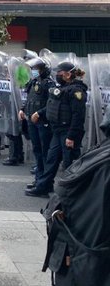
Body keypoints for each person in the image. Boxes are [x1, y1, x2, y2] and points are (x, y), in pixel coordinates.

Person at [26, 62, 87, 197]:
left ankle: (72, 193)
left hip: (68, 132)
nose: (57, 75)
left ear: (68, 74)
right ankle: (44, 187)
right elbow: (52, 106)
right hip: (58, 131)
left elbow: (78, 116)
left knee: (69, 163)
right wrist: (40, 113)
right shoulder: (62, 88)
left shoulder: (76, 91)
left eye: (59, 73)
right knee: (51, 160)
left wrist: (71, 137)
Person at [20, 58, 55, 183]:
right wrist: (22, 109)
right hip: (31, 121)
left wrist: (39, 113)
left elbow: (52, 104)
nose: (34, 71)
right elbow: (29, 99)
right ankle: (38, 179)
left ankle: (46, 182)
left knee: (45, 151)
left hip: (43, 122)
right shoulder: (34, 81)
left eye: (37, 69)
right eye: (33, 69)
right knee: (37, 150)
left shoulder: (49, 84)